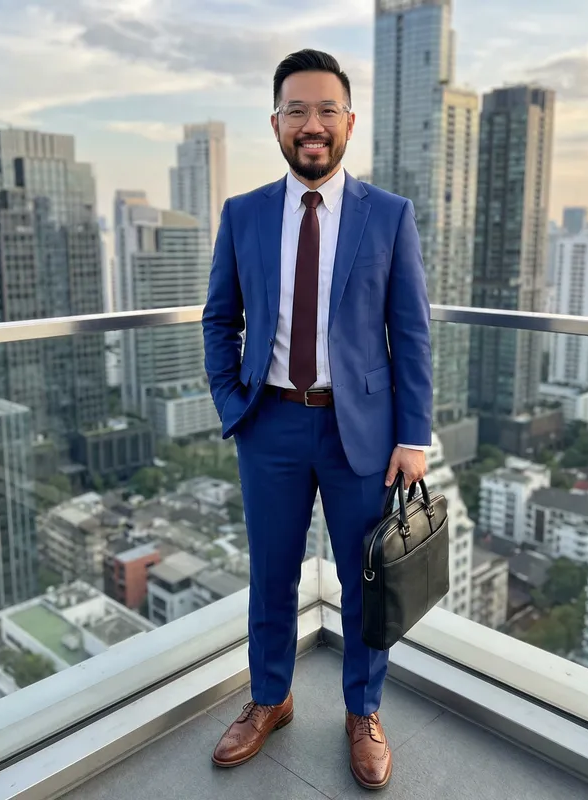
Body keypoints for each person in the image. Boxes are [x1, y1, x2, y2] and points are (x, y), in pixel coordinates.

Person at [202, 48, 432, 791]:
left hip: (359, 433)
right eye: (296, 110)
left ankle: (362, 712)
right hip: (268, 425)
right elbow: (218, 320)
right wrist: (233, 405)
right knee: (270, 576)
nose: (312, 125)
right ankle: (270, 698)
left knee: (368, 582)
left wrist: (412, 435)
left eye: (326, 110)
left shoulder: (389, 216)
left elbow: (413, 332)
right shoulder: (242, 215)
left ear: (349, 121)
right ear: (275, 123)